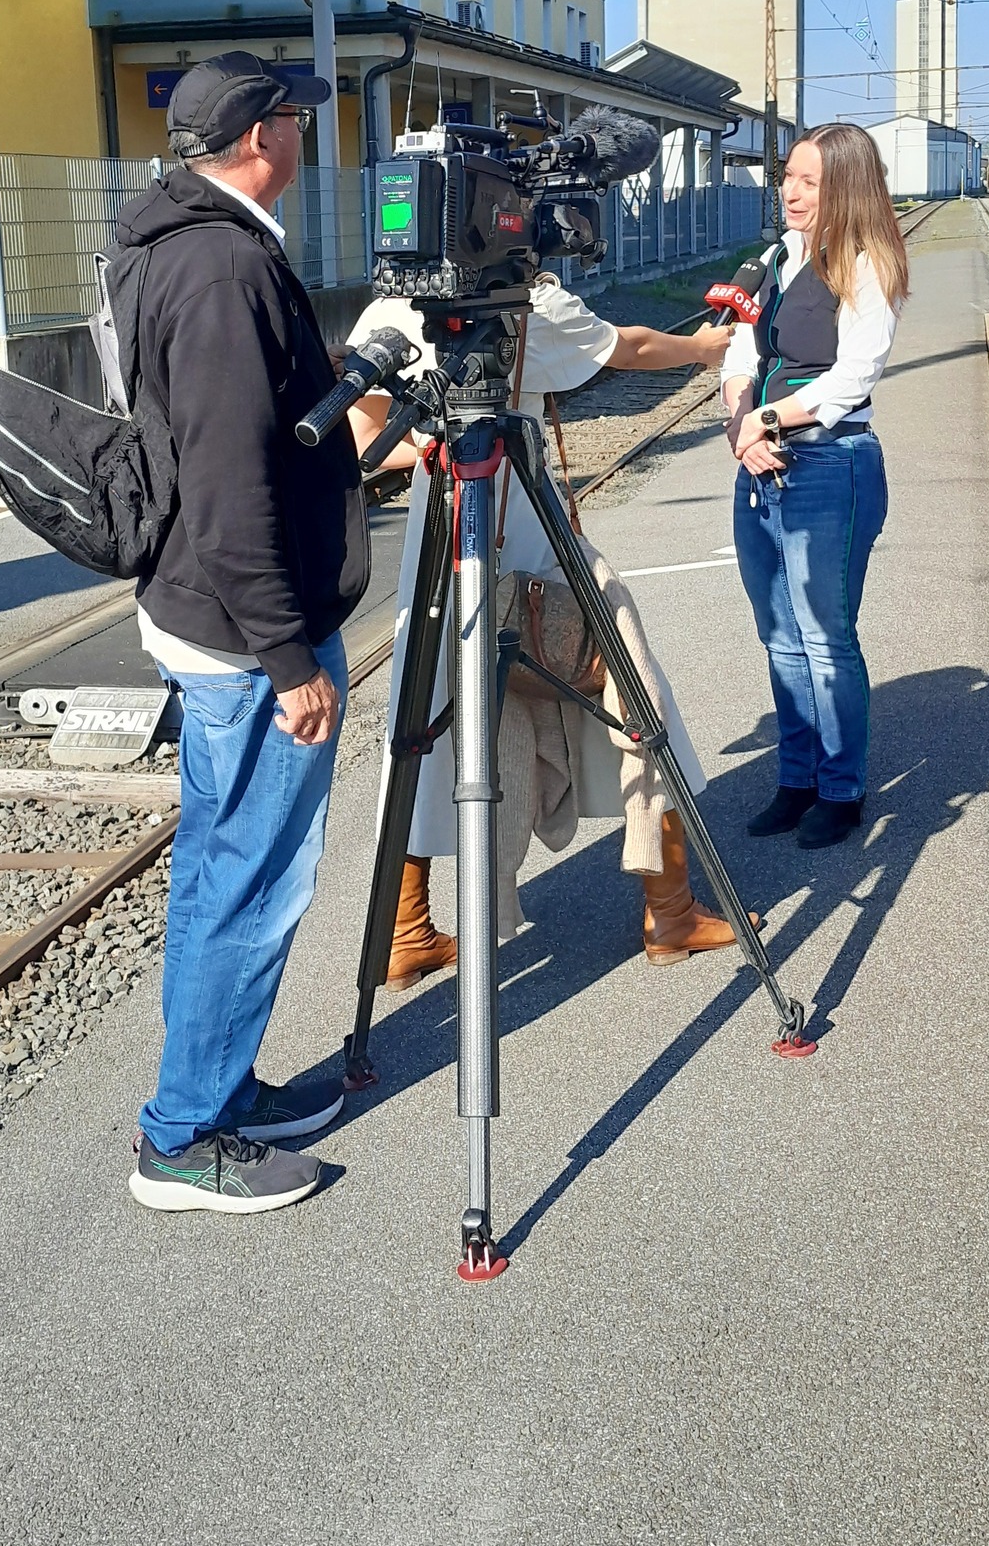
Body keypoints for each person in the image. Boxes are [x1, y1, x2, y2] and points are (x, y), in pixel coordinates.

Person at [119, 53, 370, 1217]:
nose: (306, 135)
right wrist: (287, 658)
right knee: (251, 884)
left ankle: (213, 1089)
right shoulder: (222, 266)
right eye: (295, 118)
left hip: (199, 611)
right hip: (239, 631)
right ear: (262, 137)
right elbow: (225, 483)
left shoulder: (168, 238)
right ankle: (183, 1138)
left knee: (217, 874)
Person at [346, 272, 749, 979]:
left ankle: (406, 929)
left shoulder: (390, 308)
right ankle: (671, 908)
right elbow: (627, 347)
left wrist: (439, 450)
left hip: (434, 548)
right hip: (529, 544)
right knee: (635, 691)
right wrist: (704, 348)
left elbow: (363, 436)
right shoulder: (525, 305)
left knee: (422, 730)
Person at [721, 122, 908, 851]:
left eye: (810, 181)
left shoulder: (867, 262)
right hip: (759, 462)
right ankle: (795, 779)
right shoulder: (777, 256)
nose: (790, 192)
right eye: (787, 176)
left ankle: (842, 789)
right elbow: (740, 347)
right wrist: (743, 423)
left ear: (847, 188)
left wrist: (763, 418)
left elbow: (853, 376)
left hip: (831, 463)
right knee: (779, 637)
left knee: (825, 639)